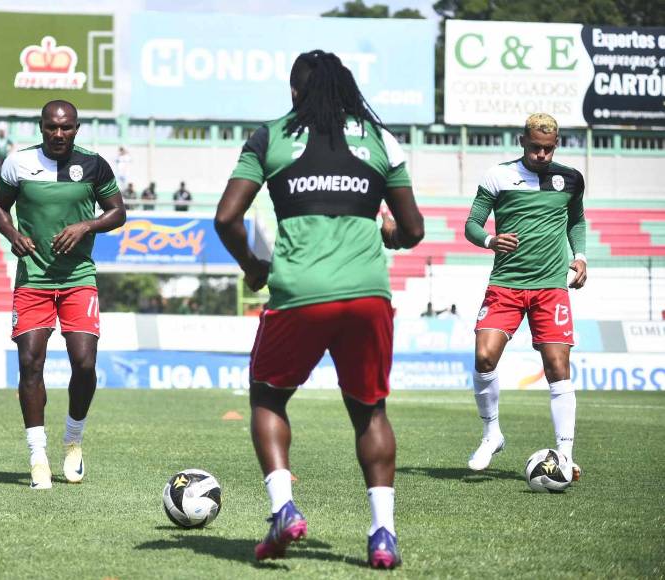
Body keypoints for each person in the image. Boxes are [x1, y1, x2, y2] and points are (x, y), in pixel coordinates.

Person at [214, 50, 424, 569]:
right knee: (370, 411)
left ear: (294, 92)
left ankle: (283, 508)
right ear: (347, 89)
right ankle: (383, 535)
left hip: (299, 292)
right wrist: (389, 234)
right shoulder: (380, 138)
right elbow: (413, 230)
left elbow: (226, 218)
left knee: (267, 396)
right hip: (368, 292)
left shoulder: (270, 137)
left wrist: (254, 266)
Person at [0, 100, 126, 490]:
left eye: (66, 128)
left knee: (84, 363)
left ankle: (73, 440)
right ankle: (38, 457)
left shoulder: (94, 165)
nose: (59, 134)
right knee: (30, 364)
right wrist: (13, 235)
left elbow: (118, 212)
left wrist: (86, 226)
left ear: (77, 129)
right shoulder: (18, 163)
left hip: (78, 277)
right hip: (33, 279)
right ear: (41, 127)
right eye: (52, 127)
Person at [464, 112, 586, 482]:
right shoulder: (498, 176)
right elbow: (471, 224)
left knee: (557, 367)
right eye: (535, 147)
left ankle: (565, 456)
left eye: (548, 148)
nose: (541, 154)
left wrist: (580, 256)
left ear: (556, 145)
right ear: (522, 141)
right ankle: (492, 434)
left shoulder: (571, 179)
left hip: (550, 288)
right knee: (484, 356)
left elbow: (576, 221)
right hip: (506, 283)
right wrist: (490, 240)